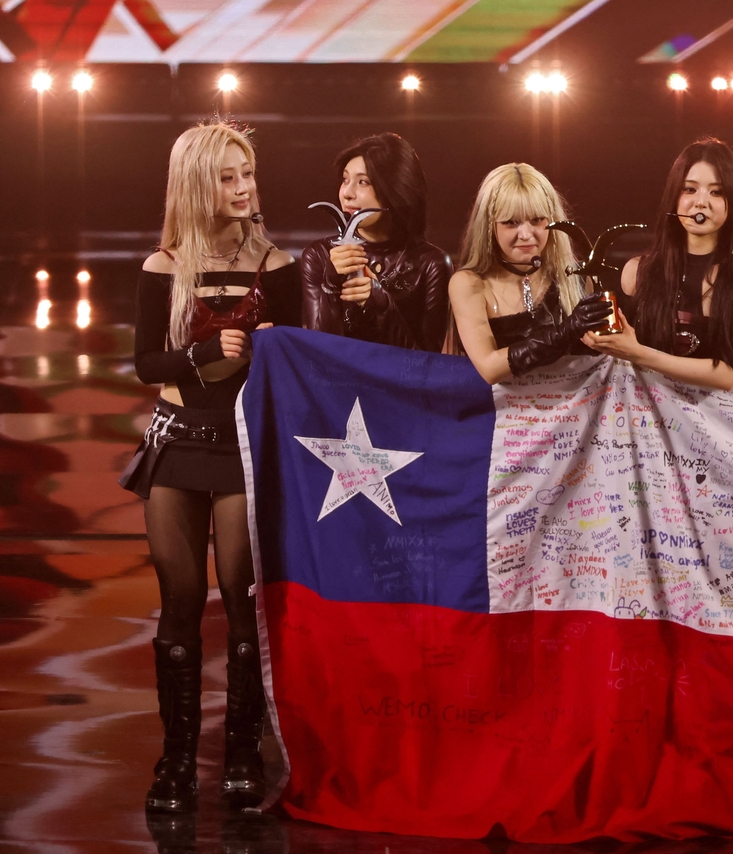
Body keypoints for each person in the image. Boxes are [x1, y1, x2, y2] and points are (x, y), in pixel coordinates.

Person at [119, 121, 300, 814]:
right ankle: (176, 760)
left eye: (247, 172)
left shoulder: (275, 262)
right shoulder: (164, 264)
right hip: (176, 440)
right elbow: (143, 366)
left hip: (243, 441)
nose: (243, 187)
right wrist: (200, 353)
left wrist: (274, 346)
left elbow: (297, 359)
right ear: (196, 183)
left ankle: (244, 755)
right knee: (182, 601)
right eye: (227, 176)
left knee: (245, 601)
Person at [582, 138, 733, 391]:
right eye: (689, 189)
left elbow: (728, 374)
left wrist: (638, 353)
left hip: (716, 424)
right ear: (674, 197)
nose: (700, 202)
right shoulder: (638, 271)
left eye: (717, 192)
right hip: (643, 419)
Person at [449, 163, 612, 383]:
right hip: (500, 415)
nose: (526, 234)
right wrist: (567, 330)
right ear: (489, 226)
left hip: (576, 412)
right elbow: (489, 368)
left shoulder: (576, 278)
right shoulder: (468, 283)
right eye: (511, 222)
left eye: (536, 220)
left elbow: (605, 361)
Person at [301, 133, 452, 351]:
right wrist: (331, 284)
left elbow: (426, 363)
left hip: (398, 385)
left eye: (363, 181)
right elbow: (316, 352)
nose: (347, 193)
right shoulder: (319, 254)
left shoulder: (431, 263)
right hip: (336, 384)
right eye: (345, 179)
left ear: (395, 188)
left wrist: (381, 302)